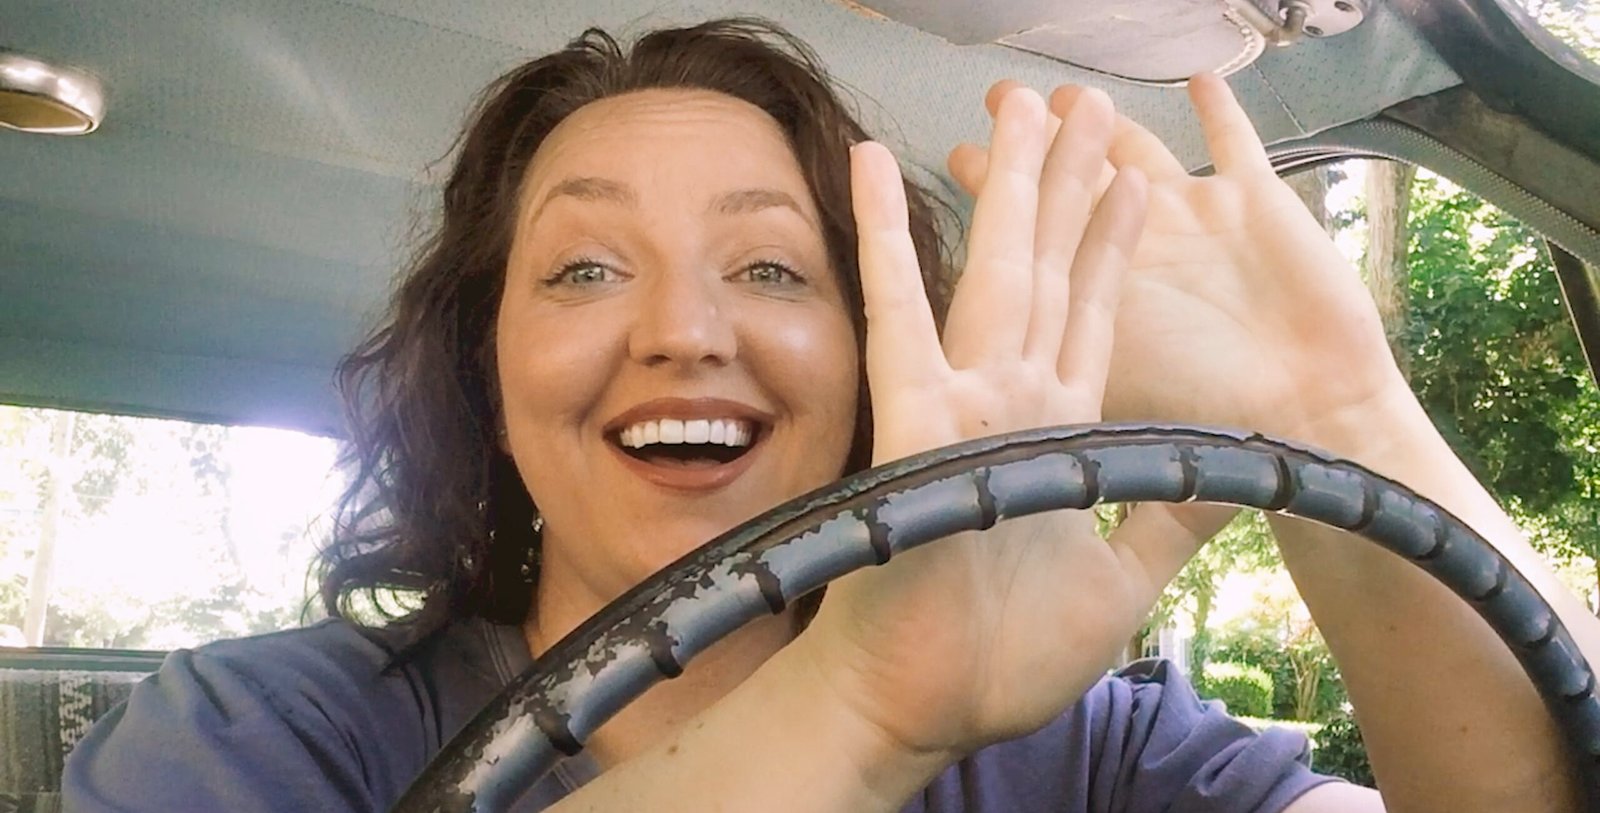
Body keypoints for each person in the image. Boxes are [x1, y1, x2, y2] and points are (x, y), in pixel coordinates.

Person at [62, 18, 1596, 813]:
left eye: (773, 268)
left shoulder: (1087, 749)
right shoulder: (255, 736)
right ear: (486, 372)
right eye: (585, 266)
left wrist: (1341, 414)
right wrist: (865, 704)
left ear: (875, 360)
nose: (683, 330)